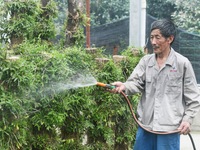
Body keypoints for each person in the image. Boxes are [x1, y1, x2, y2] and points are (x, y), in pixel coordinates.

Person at [112, 19, 200, 150]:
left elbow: (193, 97)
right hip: (146, 127)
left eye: (157, 38)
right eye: (151, 37)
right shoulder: (146, 62)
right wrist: (124, 86)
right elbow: (135, 83)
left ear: (169, 39)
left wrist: (187, 120)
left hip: (169, 129)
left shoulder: (182, 63)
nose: (153, 42)